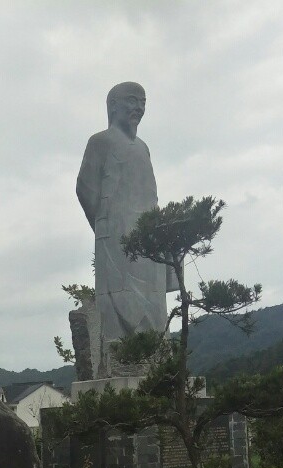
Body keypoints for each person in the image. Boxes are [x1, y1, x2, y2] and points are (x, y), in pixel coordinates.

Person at [76, 82, 177, 342]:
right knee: (118, 310)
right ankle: (120, 351)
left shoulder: (143, 147)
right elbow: (85, 189)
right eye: (132, 100)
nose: (139, 108)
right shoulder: (100, 142)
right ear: (112, 106)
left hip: (149, 237)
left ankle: (156, 348)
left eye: (143, 102)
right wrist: (107, 224)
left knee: (154, 309)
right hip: (116, 235)